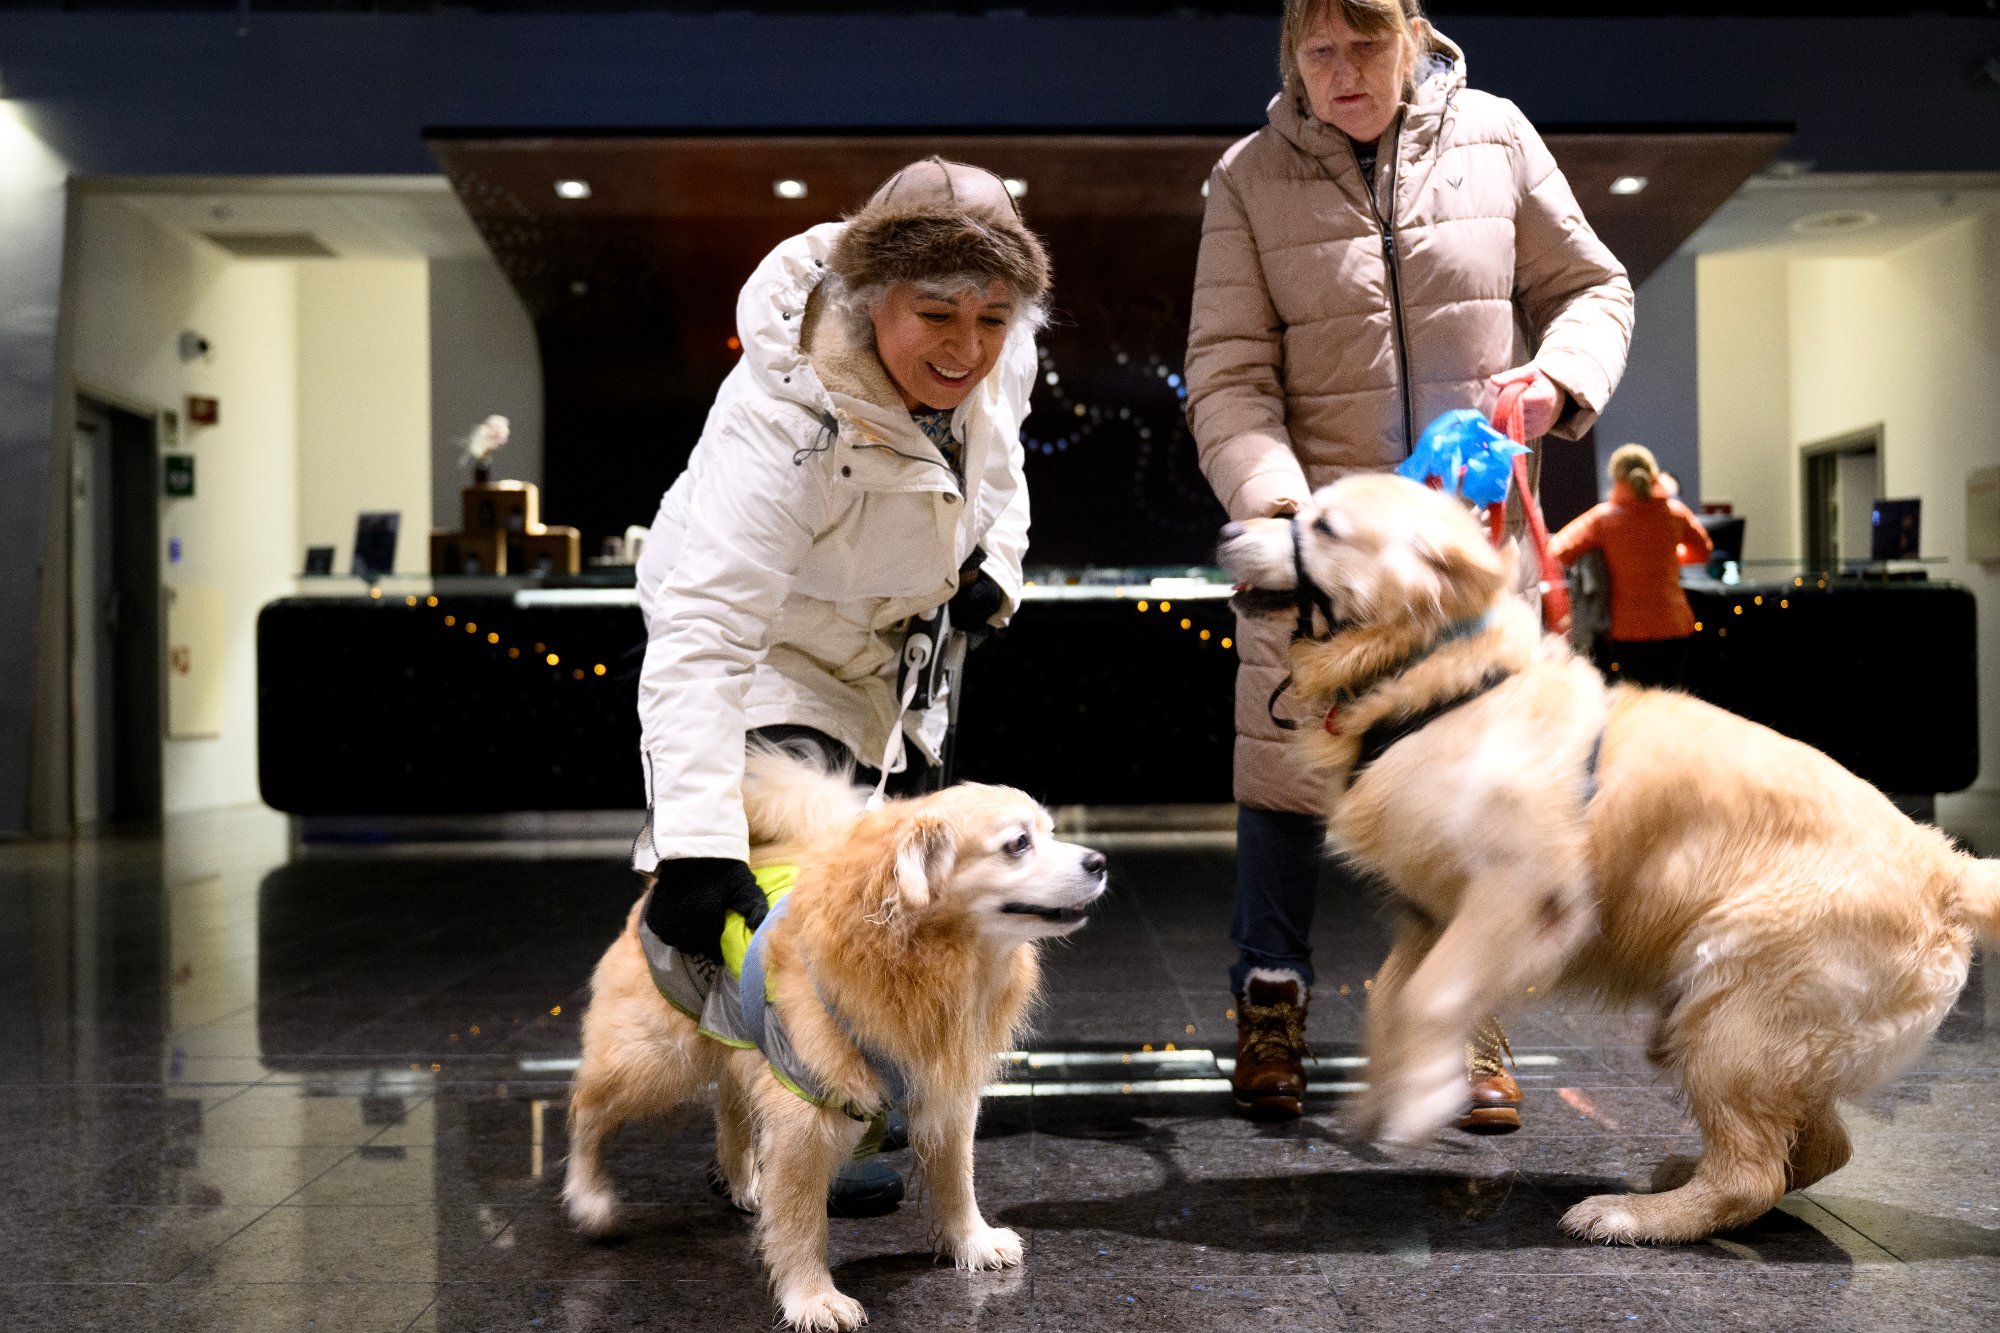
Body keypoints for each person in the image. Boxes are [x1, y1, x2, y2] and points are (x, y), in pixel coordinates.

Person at [1185, 0, 1634, 1125]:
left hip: (1466, 554)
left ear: (1413, 34)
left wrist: (1554, 382)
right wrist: (1286, 512)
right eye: (1317, 50)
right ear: (1288, 53)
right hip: (1325, 550)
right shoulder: (1246, 178)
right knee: (1285, 774)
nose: (1343, 71)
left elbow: (1593, 288)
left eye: (1366, 44)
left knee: (1473, 788)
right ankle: (1270, 1004)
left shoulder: (1495, 136)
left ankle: (1465, 1009)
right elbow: (1227, 376)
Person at [630, 157, 1050, 1212]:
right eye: (937, 314)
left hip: (888, 659)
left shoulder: (997, 353)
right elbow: (704, 628)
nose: (966, 347)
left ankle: (870, 1072)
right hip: (769, 652)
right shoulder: (784, 419)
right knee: (787, 890)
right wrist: (693, 843)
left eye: (992, 317)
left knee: (884, 888)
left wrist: (989, 568)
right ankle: (804, 1113)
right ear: (872, 306)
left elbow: (998, 472)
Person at [1550, 444, 1713, 689]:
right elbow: (1703, 551)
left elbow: (1557, 551)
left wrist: (1599, 558)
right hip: (1674, 624)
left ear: (1616, 476)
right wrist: (1669, 557)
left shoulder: (1603, 518)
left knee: (1637, 704)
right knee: (1671, 702)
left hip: (1627, 629)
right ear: (1653, 473)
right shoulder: (1675, 513)